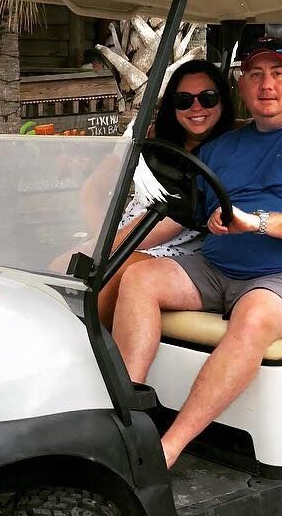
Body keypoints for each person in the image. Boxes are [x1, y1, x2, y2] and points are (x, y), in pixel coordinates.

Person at [110, 36, 282, 469]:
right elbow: (183, 213)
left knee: (255, 314)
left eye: (278, 74)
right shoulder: (222, 148)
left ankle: (167, 449)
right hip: (220, 267)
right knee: (138, 278)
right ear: (242, 86)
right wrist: (101, 248)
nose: (267, 85)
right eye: (255, 74)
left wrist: (259, 222)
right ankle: (125, 423)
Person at [98, 60, 234, 326]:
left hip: (178, 243)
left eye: (208, 98)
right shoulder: (151, 137)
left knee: (114, 270)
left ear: (223, 101)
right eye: (184, 100)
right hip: (132, 231)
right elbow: (95, 186)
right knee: (59, 265)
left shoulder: (231, 147)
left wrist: (101, 249)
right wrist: (97, 236)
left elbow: (169, 220)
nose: (196, 108)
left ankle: (94, 354)